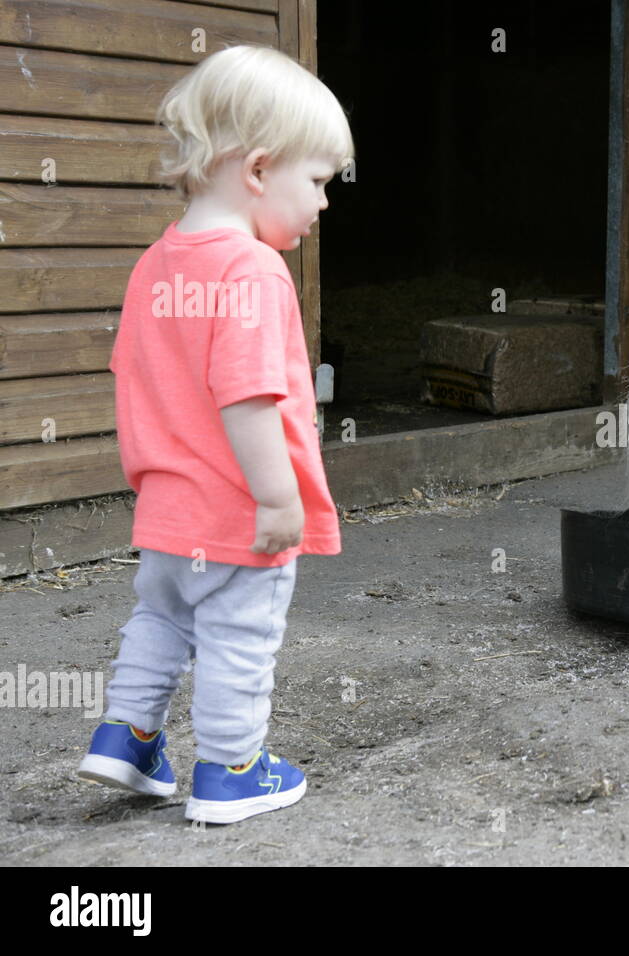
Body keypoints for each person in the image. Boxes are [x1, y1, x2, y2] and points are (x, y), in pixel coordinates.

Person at [76, 45, 354, 825]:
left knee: (161, 620)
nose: (324, 204)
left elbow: (134, 377)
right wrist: (278, 496)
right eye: (320, 182)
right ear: (260, 170)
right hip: (237, 516)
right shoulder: (254, 272)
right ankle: (233, 770)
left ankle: (127, 736)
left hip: (167, 514)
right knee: (239, 638)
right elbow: (248, 395)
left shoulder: (155, 265)